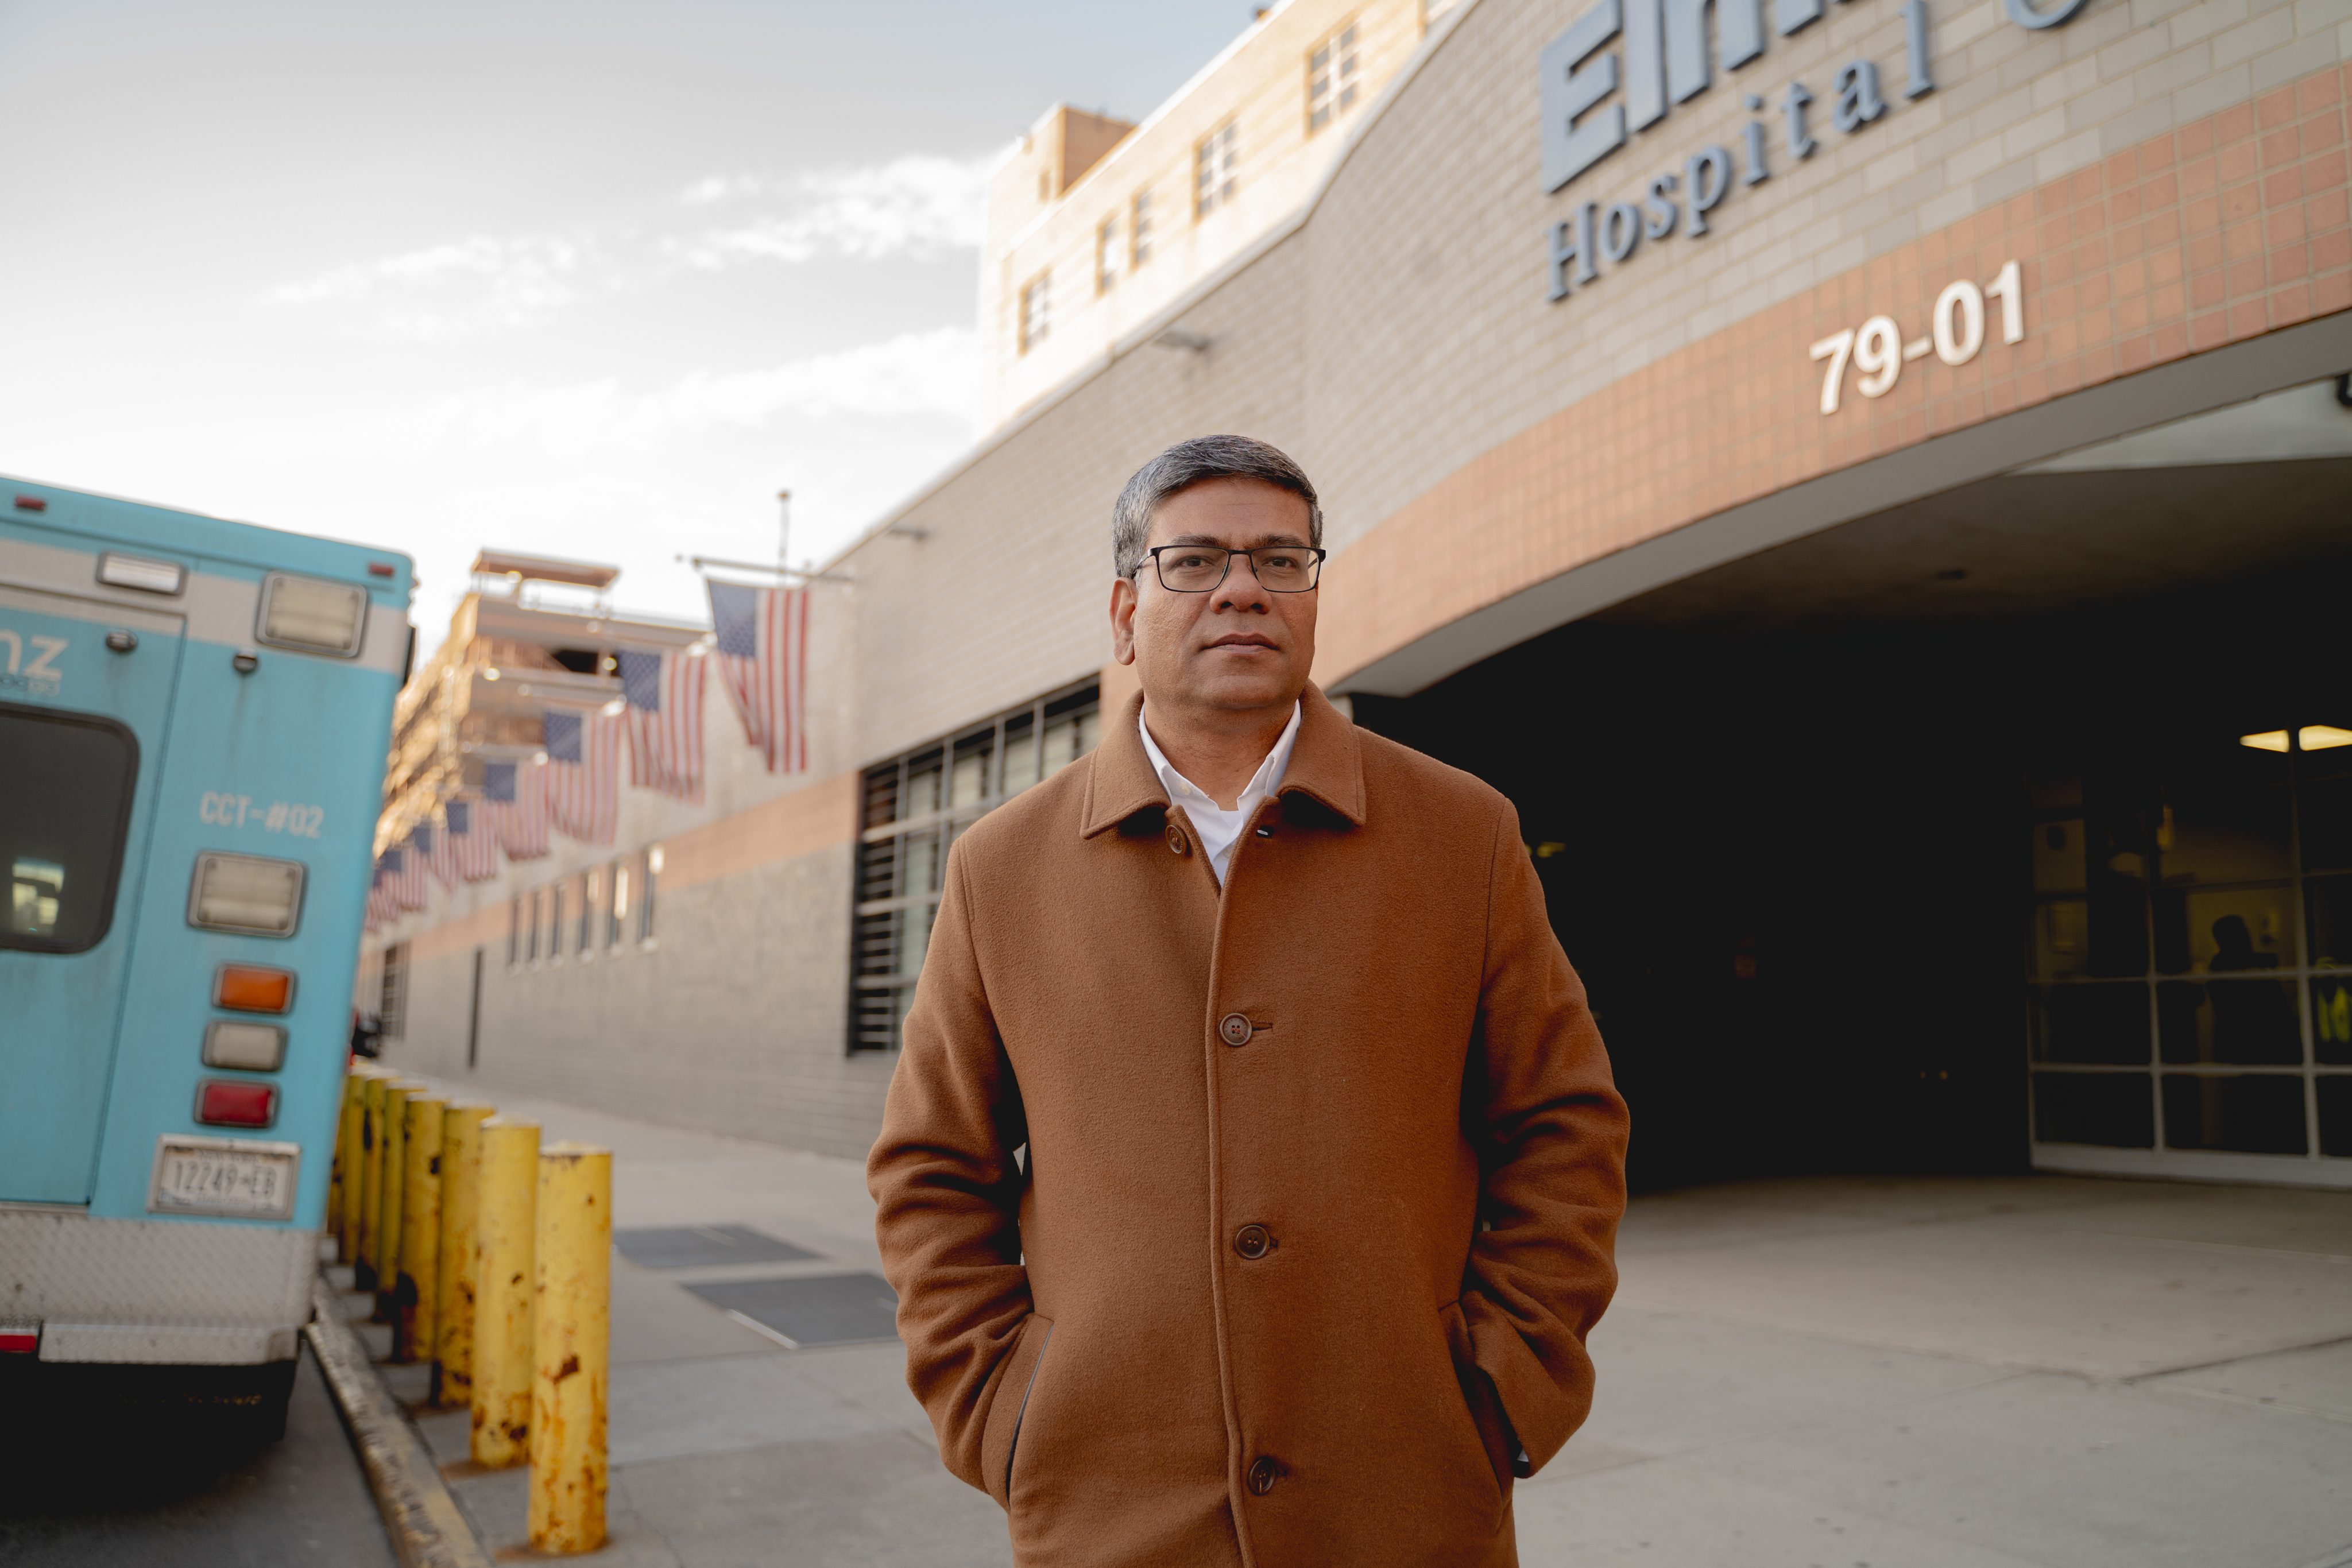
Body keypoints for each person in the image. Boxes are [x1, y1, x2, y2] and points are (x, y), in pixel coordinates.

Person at [868, 434, 1628, 1566]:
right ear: (1125, 611)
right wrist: (1001, 1410)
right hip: (1108, 1501)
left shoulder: (1462, 833)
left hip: (1405, 1491)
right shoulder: (1001, 868)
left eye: (1281, 560)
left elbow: (1563, 1124)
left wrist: (1505, 1381)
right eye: (1196, 561)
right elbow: (931, 1165)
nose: (1240, 588)